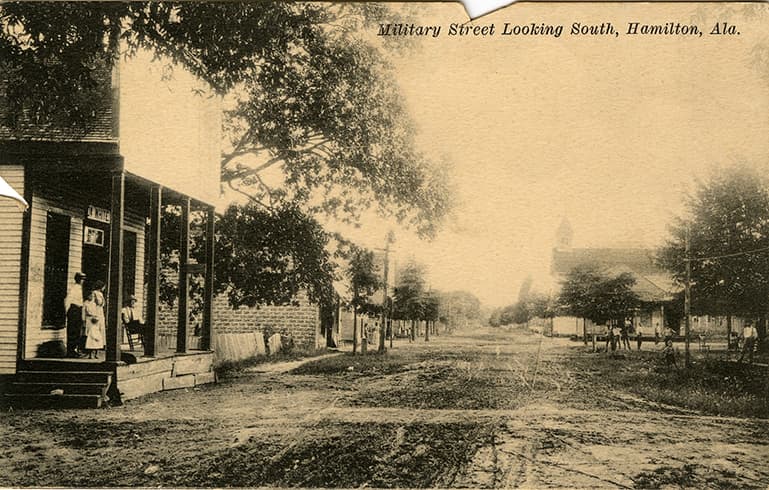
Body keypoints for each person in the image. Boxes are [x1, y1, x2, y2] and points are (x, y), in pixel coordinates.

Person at [64, 272, 86, 357]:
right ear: (78, 279)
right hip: (74, 310)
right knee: (72, 330)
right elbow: (68, 300)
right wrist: (67, 311)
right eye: (81, 279)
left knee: (77, 331)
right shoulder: (74, 288)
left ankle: (74, 350)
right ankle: (71, 351)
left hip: (78, 309)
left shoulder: (79, 288)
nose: (82, 281)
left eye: (83, 279)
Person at [83, 280, 106, 359]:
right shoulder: (95, 293)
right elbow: (98, 303)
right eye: (103, 287)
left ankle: (97, 351)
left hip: (99, 312)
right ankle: (90, 352)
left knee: (99, 332)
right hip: (95, 312)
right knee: (94, 332)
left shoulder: (100, 294)